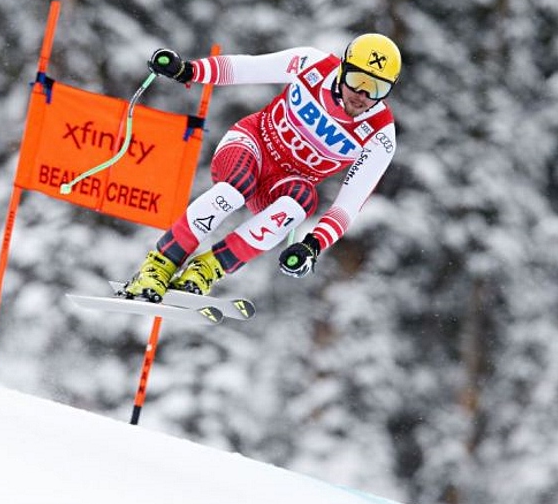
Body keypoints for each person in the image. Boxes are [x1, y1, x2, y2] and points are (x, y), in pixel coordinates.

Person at [121, 33, 401, 303]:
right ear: (342, 68)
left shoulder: (380, 136)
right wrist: (188, 71)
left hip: (280, 186)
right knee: (238, 186)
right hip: (250, 146)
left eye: (377, 88)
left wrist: (313, 246)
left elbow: (346, 207)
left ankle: (207, 269)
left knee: (303, 201)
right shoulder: (312, 64)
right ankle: (158, 266)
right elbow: (245, 68)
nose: (362, 95)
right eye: (357, 80)